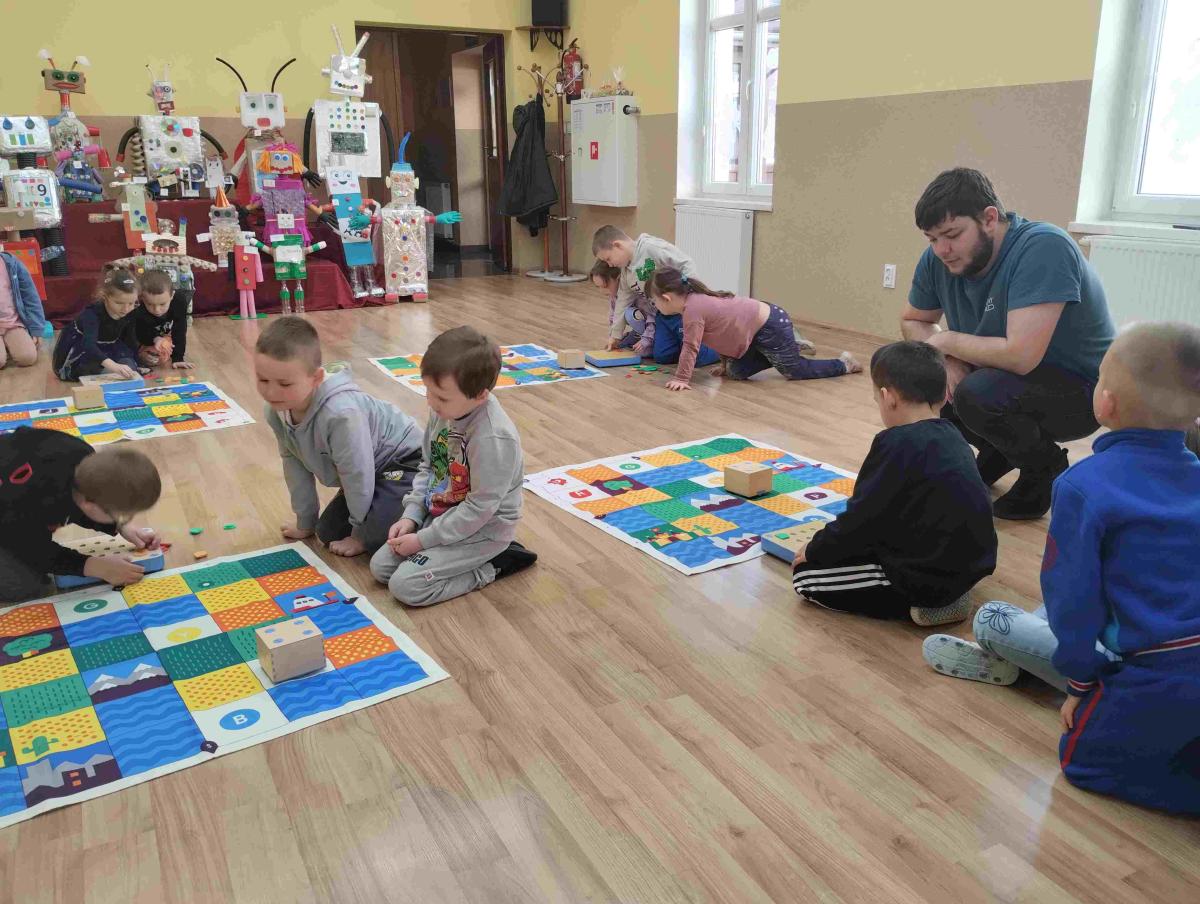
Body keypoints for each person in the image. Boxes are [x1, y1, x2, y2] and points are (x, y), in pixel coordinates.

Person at [923, 323, 1200, 815]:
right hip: (1165, 641)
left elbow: (1074, 606)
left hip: (1154, 671)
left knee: (1078, 755)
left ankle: (1004, 653)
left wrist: (1081, 686)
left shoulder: (1082, 486)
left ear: (1105, 404)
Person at [901, 168, 1116, 519]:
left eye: (952, 235)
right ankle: (1000, 451)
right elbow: (913, 320)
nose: (942, 250)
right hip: (1004, 378)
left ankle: (1044, 467)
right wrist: (947, 360)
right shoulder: (938, 258)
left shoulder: (1044, 247)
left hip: (1081, 393)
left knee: (975, 392)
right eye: (932, 239)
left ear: (989, 219)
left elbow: (1021, 356)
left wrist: (948, 341)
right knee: (923, 376)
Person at [792, 341, 996, 623]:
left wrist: (815, 549)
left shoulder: (895, 443)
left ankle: (931, 605)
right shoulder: (954, 436)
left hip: (925, 576)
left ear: (888, 397)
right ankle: (948, 591)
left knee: (805, 578)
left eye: (877, 400)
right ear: (943, 397)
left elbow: (861, 518)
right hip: (970, 565)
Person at [370, 326, 537, 606]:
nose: (431, 402)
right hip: (443, 516)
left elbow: (479, 508)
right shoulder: (445, 411)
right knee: (381, 569)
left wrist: (422, 541)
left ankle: (495, 564)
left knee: (406, 586)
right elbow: (428, 467)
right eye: (428, 391)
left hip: (483, 531)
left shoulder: (492, 437)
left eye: (442, 397)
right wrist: (411, 516)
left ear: (480, 395)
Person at [255, 316, 423, 558]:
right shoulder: (276, 411)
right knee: (327, 532)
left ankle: (429, 507)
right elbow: (295, 465)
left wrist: (359, 535)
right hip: (370, 470)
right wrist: (305, 521)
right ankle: (376, 511)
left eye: (284, 384)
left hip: (406, 462)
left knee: (375, 533)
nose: (271, 392)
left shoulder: (341, 415)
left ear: (315, 379)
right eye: (263, 380)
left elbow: (356, 474)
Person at [0, 427, 162, 604]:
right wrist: (90, 565)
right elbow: (30, 547)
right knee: (22, 585)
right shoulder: (29, 500)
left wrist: (120, 526)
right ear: (89, 504)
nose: (125, 518)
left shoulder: (84, 463)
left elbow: (79, 504)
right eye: (122, 515)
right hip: (8, 517)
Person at [646, 268, 859, 390]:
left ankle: (844, 364)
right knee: (735, 373)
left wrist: (682, 378)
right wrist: (725, 365)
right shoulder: (692, 305)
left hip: (771, 324)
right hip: (755, 332)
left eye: (655, 302)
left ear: (666, 298)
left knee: (794, 371)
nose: (655, 306)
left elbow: (690, 347)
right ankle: (789, 348)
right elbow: (722, 335)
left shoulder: (693, 310)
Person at [591, 225, 775, 363]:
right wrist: (615, 335)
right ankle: (689, 345)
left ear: (618, 245)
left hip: (682, 311)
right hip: (663, 315)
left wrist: (691, 300)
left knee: (699, 358)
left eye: (608, 259)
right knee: (662, 357)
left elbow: (686, 263)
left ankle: (725, 349)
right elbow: (622, 301)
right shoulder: (626, 271)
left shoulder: (651, 247)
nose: (609, 265)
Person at [52, 265, 142, 381]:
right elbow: (88, 345)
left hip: (110, 347)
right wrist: (114, 366)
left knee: (129, 367)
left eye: (131, 303)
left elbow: (130, 340)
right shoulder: (92, 314)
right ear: (105, 296)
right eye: (119, 303)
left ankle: (108, 370)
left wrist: (137, 363)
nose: (126, 309)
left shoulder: (130, 311)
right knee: (90, 368)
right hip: (83, 350)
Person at [132, 269, 193, 370]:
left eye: (162, 304)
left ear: (172, 296)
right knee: (148, 357)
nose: (157, 310)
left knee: (163, 352)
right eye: (150, 304)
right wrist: (155, 339)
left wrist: (178, 358)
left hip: (164, 334)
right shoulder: (137, 307)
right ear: (142, 298)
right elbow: (138, 332)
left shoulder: (179, 300)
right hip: (145, 335)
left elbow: (180, 329)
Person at [0, 249, 46, 369]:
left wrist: (36, 329)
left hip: (12, 323)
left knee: (27, 357)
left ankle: (8, 346)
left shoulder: (11, 262)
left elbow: (30, 297)